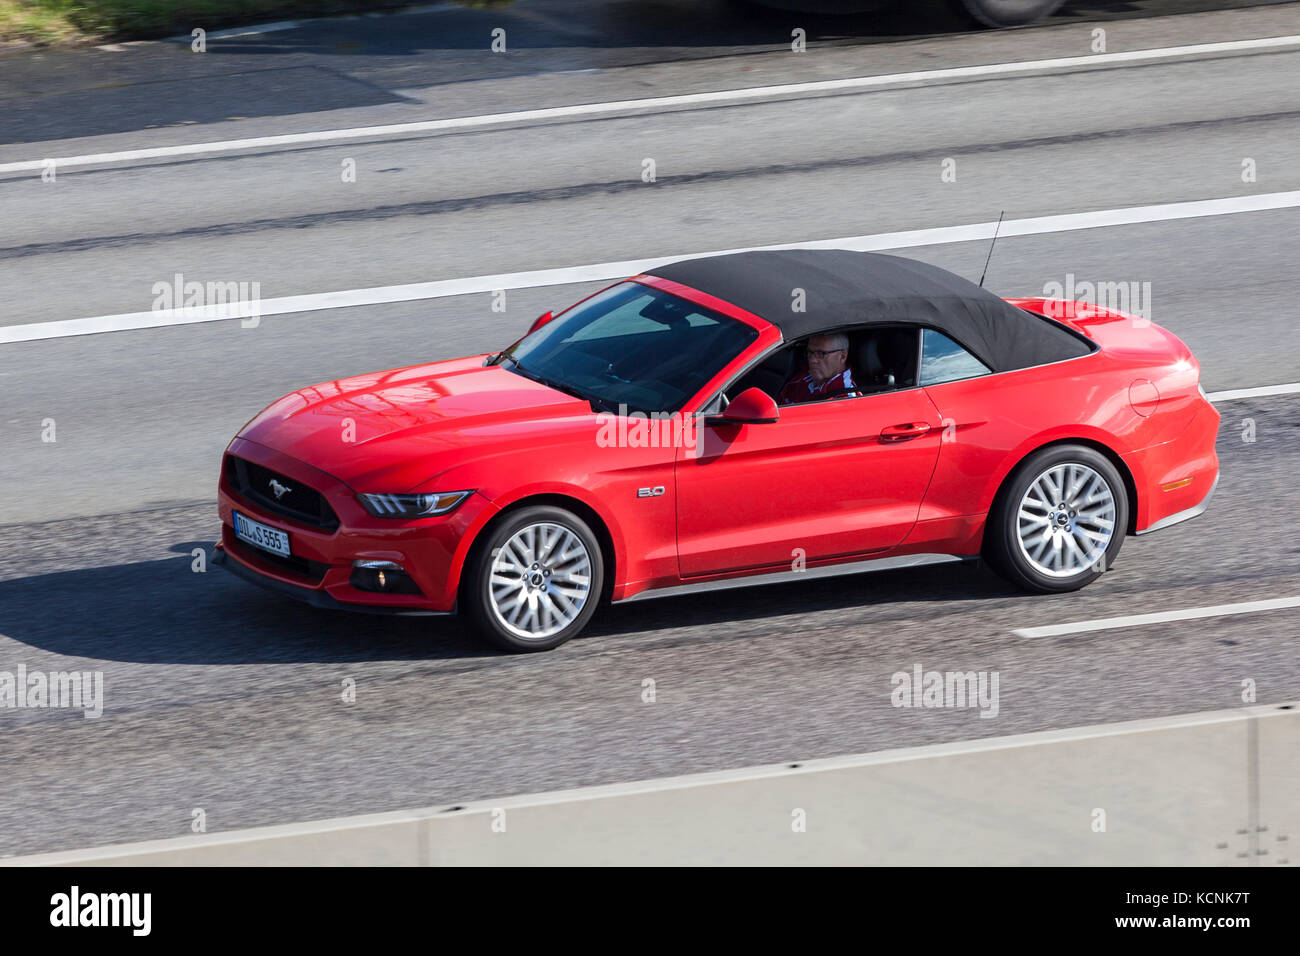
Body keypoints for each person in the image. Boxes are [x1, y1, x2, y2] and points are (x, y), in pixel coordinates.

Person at [778, 332, 857, 405]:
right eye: (810, 352)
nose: (812, 360)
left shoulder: (845, 400)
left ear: (842, 356)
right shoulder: (804, 375)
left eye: (821, 354)